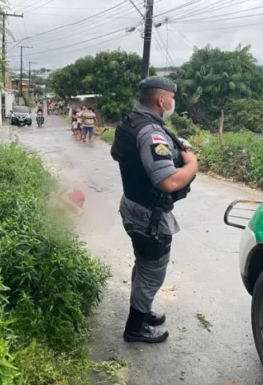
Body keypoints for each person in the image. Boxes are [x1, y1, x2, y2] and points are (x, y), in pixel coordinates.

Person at [110, 76, 198, 343]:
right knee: (152, 272)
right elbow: (168, 181)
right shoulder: (151, 132)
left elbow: (116, 153)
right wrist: (192, 164)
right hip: (149, 214)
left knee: (144, 263)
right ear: (161, 99)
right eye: (172, 97)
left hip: (132, 204)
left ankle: (142, 309)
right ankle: (135, 328)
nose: (173, 101)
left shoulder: (130, 120)